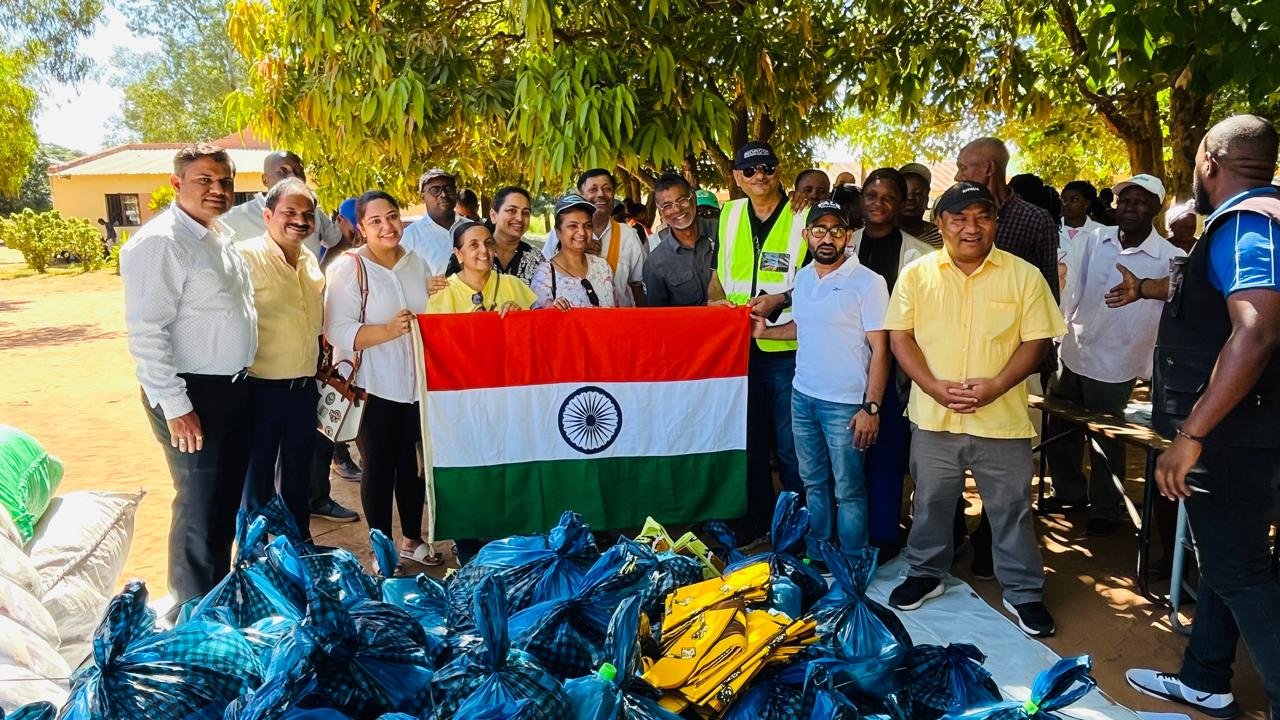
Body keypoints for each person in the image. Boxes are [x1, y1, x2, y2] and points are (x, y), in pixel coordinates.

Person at [1117, 114, 1280, 720]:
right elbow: (1214, 294)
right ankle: (1206, 678)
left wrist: (1192, 435)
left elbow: (1255, 331)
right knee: (1229, 557)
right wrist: (1150, 290)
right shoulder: (1248, 223)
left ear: (1209, 160)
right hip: (1246, 428)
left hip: (1234, 435)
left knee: (1240, 572)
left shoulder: (1246, 224)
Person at [884, 181, 1066, 638]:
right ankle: (925, 573)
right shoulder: (917, 274)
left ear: (995, 223)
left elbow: (1038, 338)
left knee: (1011, 508)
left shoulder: (1023, 275)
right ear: (940, 223)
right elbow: (899, 337)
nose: (971, 227)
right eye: (959, 217)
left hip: (1000, 419)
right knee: (929, 502)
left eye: (982, 217)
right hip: (933, 416)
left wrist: (999, 385)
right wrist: (932, 386)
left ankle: (1024, 592)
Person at [120, 143, 257, 607]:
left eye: (224, 182)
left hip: (233, 389)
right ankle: (191, 614)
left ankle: (215, 601)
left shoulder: (217, 237)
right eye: (204, 180)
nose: (217, 190)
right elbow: (146, 332)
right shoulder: (161, 243)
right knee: (199, 506)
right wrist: (177, 407)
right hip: (190, 394)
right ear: (177, 184)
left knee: (223, 504)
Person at [1043, 174, 1184, 536]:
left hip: (1117, 360)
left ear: (1156, 208)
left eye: (1139, 202)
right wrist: (1061, 330)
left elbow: (1176, 311)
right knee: (1061, 428)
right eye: (1124, 201)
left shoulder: (1171, 258)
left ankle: (1106, 508)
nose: (1129, 208)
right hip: (1075, 347)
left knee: (1105, 434)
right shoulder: (1094, 240)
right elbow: (1073, 288)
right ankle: (1069, 492)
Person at [752, 200, 890, 562]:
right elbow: (802, 326)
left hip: (845, 403)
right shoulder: (803, 277)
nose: (827, 238)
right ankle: (819, 555)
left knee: (848, 489)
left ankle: (853, 559)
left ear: (848, 236)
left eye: (836, 230)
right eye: (819, 230)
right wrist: (765, 332)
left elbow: (881, 349)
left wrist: (871, 407)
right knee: (813, 483)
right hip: (802, 396)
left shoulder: (868, 283)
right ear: (806, 235)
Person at [954, 137, 1061, 579]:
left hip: (1014, 366)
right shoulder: (952, 213)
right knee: (950, 459)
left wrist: (1030, 363)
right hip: (955, 361)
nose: (959, 174)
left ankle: (992, 547)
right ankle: (954, 536)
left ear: (988, 172)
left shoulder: (1035, 220)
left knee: (1006, 471)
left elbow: (1048, 292)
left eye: (964, 167)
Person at [324, 190, 439, 566]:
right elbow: (337, 330)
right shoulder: (349, 267)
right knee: (379, 467)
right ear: (361, 227)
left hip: (416, 386)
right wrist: (388, 330)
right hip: (373, 386)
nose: (388, 226)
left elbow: (430, 316)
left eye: (392, 217)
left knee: (414, 466)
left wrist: (436, 292)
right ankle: (381, 547)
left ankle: (411, 539)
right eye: (376, 221)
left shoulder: (415, 262)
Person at [710, 140, 807, 543]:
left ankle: (797, 526)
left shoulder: (804, 215)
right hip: (736, 349)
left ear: (778, 169)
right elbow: (719, 274)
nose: (759, 176)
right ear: (736, 177)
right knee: (748, 442)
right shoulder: (729, 214)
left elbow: (822, 280)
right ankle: (757, 523)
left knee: (790, 445)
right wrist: (714, 300)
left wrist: (781, 300)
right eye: (749, 171)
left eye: (766, 167)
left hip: (787, 347)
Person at [847, 167, 934, 552]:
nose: (878, 204)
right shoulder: (844, 242)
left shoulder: (922, 255)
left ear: (901, 203)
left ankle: (884, 534)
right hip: (846, 364)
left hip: (898, 370)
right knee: (847, 453)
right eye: (871, 196)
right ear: (861, 199)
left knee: (886, 452)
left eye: (888, 198)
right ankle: (850, 533)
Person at [234, 177, 326, 537]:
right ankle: (256, 565)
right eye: (290, 212)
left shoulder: (310, 260)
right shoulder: (244, 257)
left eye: (307, 214)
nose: (300, 220)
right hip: (258, 390)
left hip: (303, 391)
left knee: (297, 480)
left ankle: (298, 553)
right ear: (268, 214)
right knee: (256, 485)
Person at [543, 169, 647, 306]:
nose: (600, 194)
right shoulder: (559, 234)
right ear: (581, 195)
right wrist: (575, 249)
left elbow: (639, 285)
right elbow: (546, 272)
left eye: (607, 189)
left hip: (619, 322)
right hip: (570, 323)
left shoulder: (629, 236)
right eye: (593, 189)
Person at [221, 151, 341, 258]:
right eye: (283, 172)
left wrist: (323, 270)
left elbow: (339, 242)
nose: (294, 177)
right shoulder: (234, 218)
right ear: (265, 179)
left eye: (299, 172)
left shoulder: (312, 214)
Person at [643, 173, 726, 307]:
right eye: (667, 206)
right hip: (691, 327)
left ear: (693, 197)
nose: (677, 209)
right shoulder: (656, 263)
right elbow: (658, 318)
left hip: (737, 324)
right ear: (661, 212)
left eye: (682, 200)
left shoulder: (724, 231)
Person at [427, 221, 539, 314]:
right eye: (474, 245)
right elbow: (438, 336)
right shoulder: (445, 292)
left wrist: (517, 315)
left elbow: (531, 330)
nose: (484, 250)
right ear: (459, 254)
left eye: (488, 243)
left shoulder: (512, 284)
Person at [443, 186, 546, 285]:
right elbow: (449, 292)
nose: (519, 218)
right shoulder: (467, 253)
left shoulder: (536, 258)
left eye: (525, 212)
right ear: (493, 215)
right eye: (511, 211)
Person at [531, 193, 616, 309]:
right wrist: (551, 310)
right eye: (573, 226)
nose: (582, 232)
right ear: (558, 232)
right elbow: (539, 322)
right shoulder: (545, 275)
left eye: (587, 226)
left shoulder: (602, 267)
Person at [401, 168, 464, 276]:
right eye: (435, 190)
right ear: (422, 196)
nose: (443, 194)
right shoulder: (410, 237)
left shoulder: (471, 227)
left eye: (448, 188)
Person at [1057, 181, 1107, 303]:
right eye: (1063, 200)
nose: (1067, 204)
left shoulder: (1102, 233)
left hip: (1087, 306)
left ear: (1087, 203)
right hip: (1055, 305)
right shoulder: (1050, 230)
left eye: (1074, 200)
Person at [899, 163, 943, 249]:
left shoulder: (941, 237)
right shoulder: (881, 234)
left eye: (918, 193)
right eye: (905, 193)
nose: (910, 198)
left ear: (927, 197)